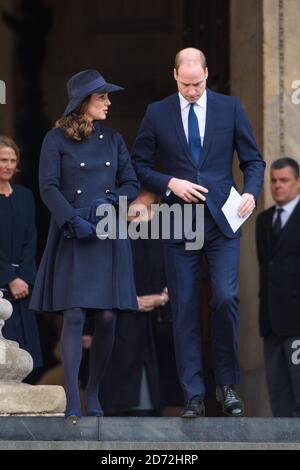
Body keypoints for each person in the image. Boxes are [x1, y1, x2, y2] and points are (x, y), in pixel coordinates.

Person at [132, 48, 265, 417]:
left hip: (222, 220)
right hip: (179, 222)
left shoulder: (230, 107)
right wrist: (170, 182)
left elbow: (253, 160)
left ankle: (226, 386)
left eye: (198, 83)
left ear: (206, 73)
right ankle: (193, 392)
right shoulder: (157, 113)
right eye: (186, 84)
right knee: (185, 307)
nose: (192, 91)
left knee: (225, 298)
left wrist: (252, 192)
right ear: (175, 75)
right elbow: (139, 165)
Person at [30, 69, 140, 422]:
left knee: (107, 316)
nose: (108, 103)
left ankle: (93, 391)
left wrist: (110, 207)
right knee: (75, 313)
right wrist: (72, 220)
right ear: (83, 103)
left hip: (107, 231)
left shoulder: (113, 139)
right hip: (72, 232)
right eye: (102, 97)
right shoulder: (55, 140)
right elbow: (47, 187)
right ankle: (73, 400)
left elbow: (131, 182)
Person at [256, 157, 300, 417]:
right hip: (270, 320)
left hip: (297, 321)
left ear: (297, 182)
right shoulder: (264, 220)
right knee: (278, 390)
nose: (277, 186)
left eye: (284, 180)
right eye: (273, 180)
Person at [0, 136, 42, 373]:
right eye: (3, 160)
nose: (8, 165)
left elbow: (31, 239)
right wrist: (9, 277)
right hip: (3, 284)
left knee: (25, 356)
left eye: (12, 160)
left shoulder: (25, 195)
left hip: (23, 288)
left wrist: (24, 277)